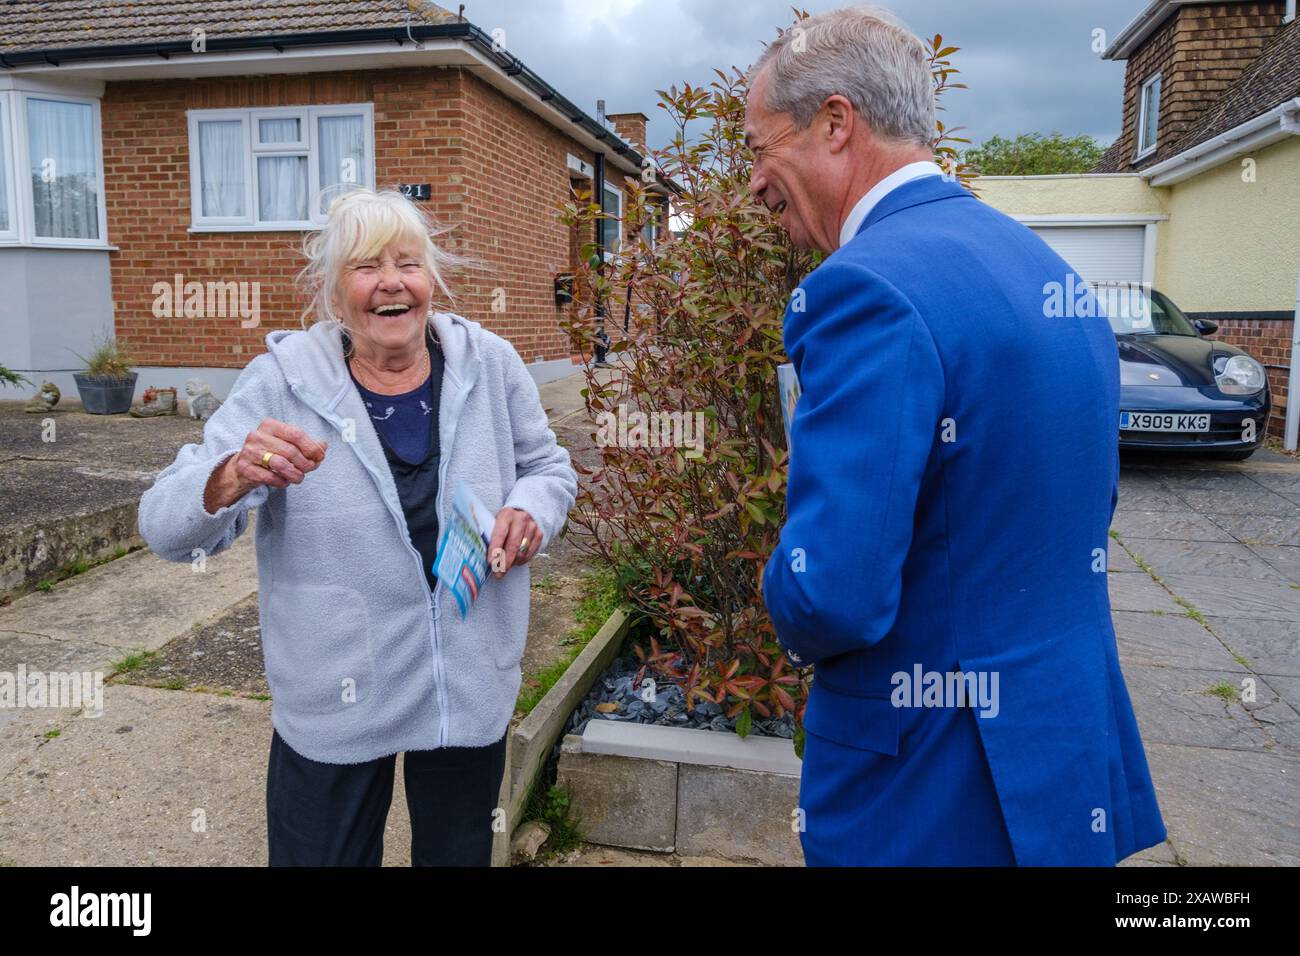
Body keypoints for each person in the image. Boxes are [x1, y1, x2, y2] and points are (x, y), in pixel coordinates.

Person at [748, 7, 1167, 865]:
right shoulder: (1052, 274)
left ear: (836, 122)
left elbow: (833, 592)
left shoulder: (859, 290)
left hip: (929, 790)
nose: (753, 183)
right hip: (1059, 757)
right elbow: (1080, 508)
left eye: (760, 148)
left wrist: (777, 582)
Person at [137, 187, 577, 866]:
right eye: (366, 266)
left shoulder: (488, 364)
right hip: (335, 694)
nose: (392, 283)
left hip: (466, 685)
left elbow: (548, 467)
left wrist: (530, 512)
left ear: (431, 281)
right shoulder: (281, 383)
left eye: (408, 262)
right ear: (333, 294)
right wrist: (232, 473)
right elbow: (164, 525)